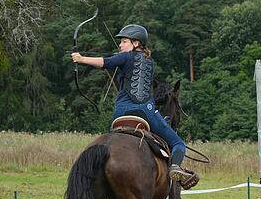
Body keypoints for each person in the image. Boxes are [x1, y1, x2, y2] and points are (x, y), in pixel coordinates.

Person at [71, 24, 191, 182]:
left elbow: (105, 62)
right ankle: (174, 167)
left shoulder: (126, 57)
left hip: (121, 112)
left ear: (136, 43)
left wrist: (81, 59)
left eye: (124, 41)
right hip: (147, 112)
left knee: (111, 141)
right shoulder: (150, 63)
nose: (120, 45)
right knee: (178, 144)